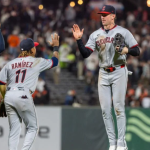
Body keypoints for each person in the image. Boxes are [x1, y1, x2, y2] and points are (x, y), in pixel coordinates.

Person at [72, 5, 140, 150]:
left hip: (119, 71)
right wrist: (79, 40)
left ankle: (121, 144)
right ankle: (112, 143)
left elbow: (137, 50)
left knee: (118, 108)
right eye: (101, 14)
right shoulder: (96, 34)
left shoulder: (123, 31)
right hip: (103, 73)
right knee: (105, 109)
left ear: (113, 16)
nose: (102, 17)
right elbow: (85, 54)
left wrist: (125, 49)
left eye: (105, 14)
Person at [0, 33, 59, 150]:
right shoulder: (36, 61)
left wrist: (2, 99)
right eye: (34, 47)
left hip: (9, 95)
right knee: (32, 127)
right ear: (31, 49)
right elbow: (54, 62)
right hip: (23, 95)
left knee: (14, 129)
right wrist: (56, 47)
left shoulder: (10, 64)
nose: (35, 48)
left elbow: (1, 82)